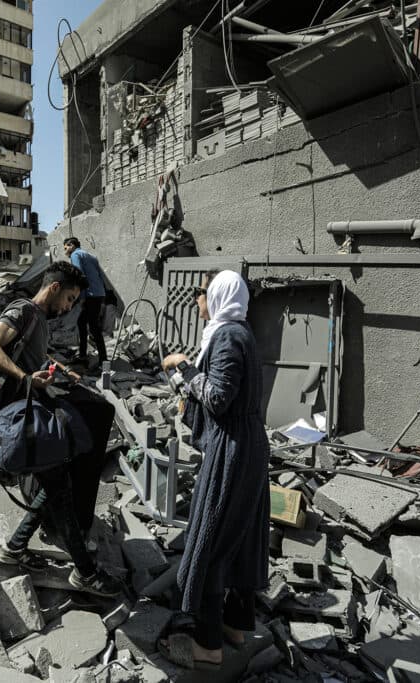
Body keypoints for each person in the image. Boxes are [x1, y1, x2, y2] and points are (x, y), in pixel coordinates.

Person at [0, 261, 123, 598]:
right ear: (55, 287)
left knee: (56, 482)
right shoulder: (23, 310)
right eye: (70, 298)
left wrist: (58, 368)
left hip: (32, 413)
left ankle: (14, 549)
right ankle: (85, 573)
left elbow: (33, 356)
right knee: (58, 486)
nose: (69, 307)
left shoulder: (38, 319)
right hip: (22, 419)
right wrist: (27, 378)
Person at [157, 270, 270, 670]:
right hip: (246, 444)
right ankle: (235, 626)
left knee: (211, 540)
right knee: (239, 538)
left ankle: (207, 645)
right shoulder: (239, 333)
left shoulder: (227, 337)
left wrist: (185, 367)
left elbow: (218, 398)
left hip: (232, 450)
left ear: (218, 295)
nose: (196, 299)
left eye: (201, 292)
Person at [62, 237, 108, 372]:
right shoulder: (91, 256)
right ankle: (83, 354)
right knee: (82, 322)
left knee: (93, 327)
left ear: (72, 245)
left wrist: (81, 298)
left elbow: (79, 276)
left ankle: (104, 361)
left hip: (90, 295)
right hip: (98, 294)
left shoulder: (75, 255)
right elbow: (100, 276)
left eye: (66, 247)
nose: (65, 251)